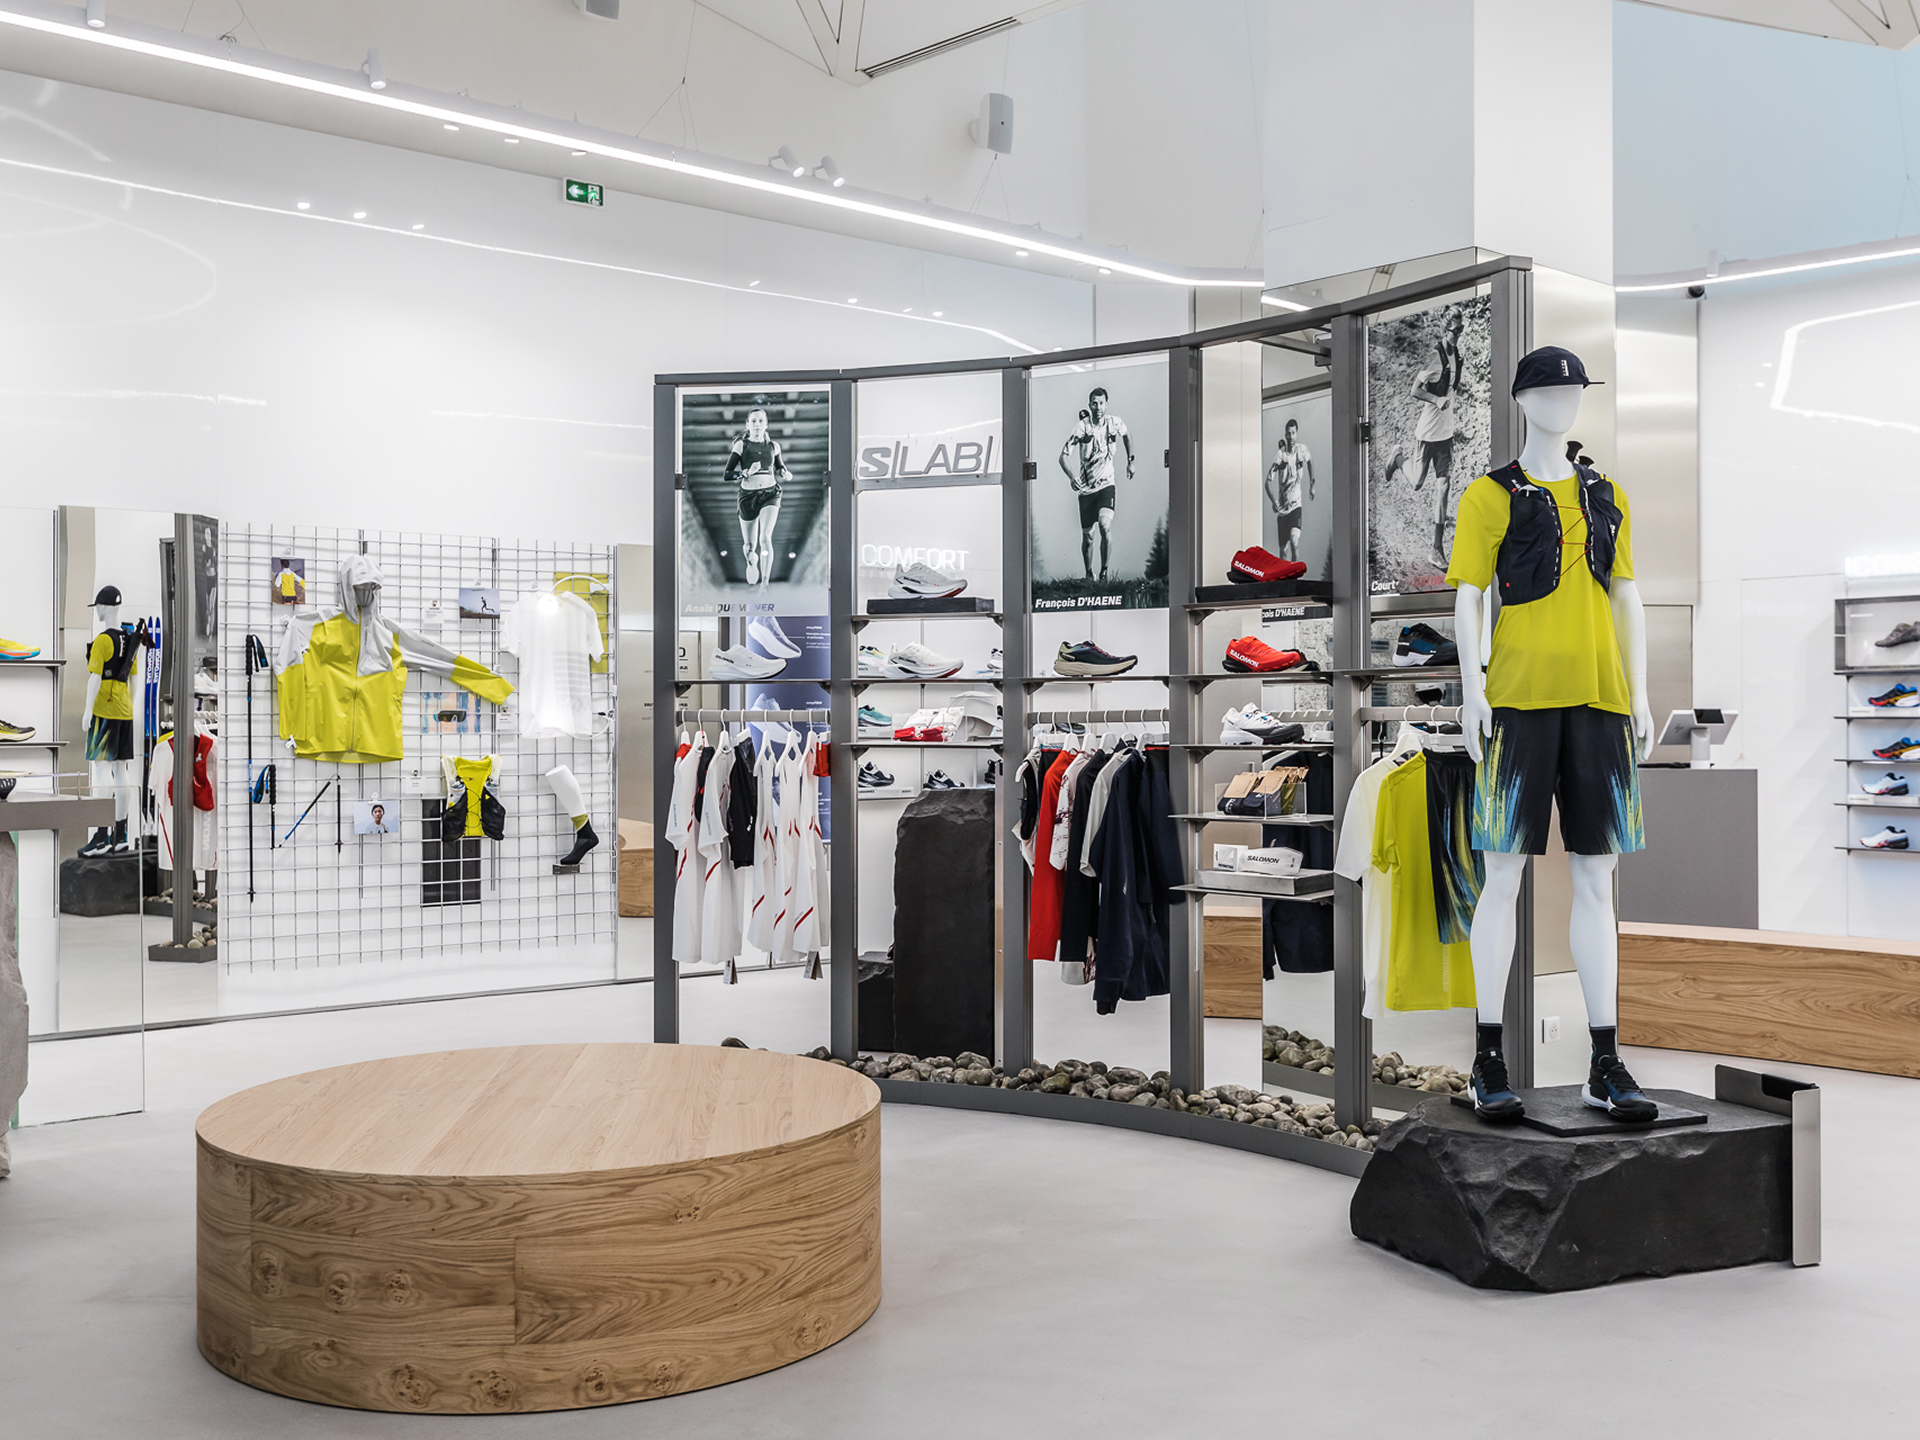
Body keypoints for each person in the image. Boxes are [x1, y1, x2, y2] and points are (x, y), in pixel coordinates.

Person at [1407, 305, 1465, 564]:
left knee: (1444, 487)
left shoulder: (1457, 354)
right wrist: (1436, 399)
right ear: (1446, 328)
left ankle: (1436, 549)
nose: (1459, 334)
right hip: (1427, 433)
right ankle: (1398, 459)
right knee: (1417, 482)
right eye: (1456, 329)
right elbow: (1414, 390)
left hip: (1445, 434)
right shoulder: (1434, 356)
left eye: (1462, 328)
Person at [1058, 386, 1133, 583]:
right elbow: (1063, 457)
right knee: (1088, 537)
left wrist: (1130, 460)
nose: (1098, 407)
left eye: (1101, 403)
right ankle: (1089, 574)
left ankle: (1104, 573)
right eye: (1094, 404)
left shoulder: (1114, 423)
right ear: (1089, 405)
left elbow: (1127, 434)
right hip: (1086, 490)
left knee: (1105, 526)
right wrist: (1072, 477)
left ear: (1106, 405)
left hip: (1107, 485)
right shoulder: (1082, 427)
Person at [725, 407, 792, 588]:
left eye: (761, 421)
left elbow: (780, 467)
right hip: (748, 496)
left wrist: (785, 473)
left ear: (766, 424)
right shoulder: (741, 446)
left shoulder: (774, 446)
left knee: (765, 537)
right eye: (753, 421)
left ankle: (765, 583)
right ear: (747, 425)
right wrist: (746, 472)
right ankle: (751, 561)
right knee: (749, 545)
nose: (757, 424)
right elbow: (727, 474)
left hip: (770, 494)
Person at [1264, 416, 1315, 562]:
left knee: (1294, 542)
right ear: (1285, 435)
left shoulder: (1302, 450)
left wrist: (1312, 484)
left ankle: (1296, 575)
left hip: (1296, 507)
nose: (1291, 437)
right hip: (1282, 511)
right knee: (1283, 553)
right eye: (1288, 433)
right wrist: (1274, 501)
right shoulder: (1281, 455)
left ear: (1296, 433)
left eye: (1293, 433)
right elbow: (1267, 483)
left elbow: (1310, 461)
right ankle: (1286, 576)